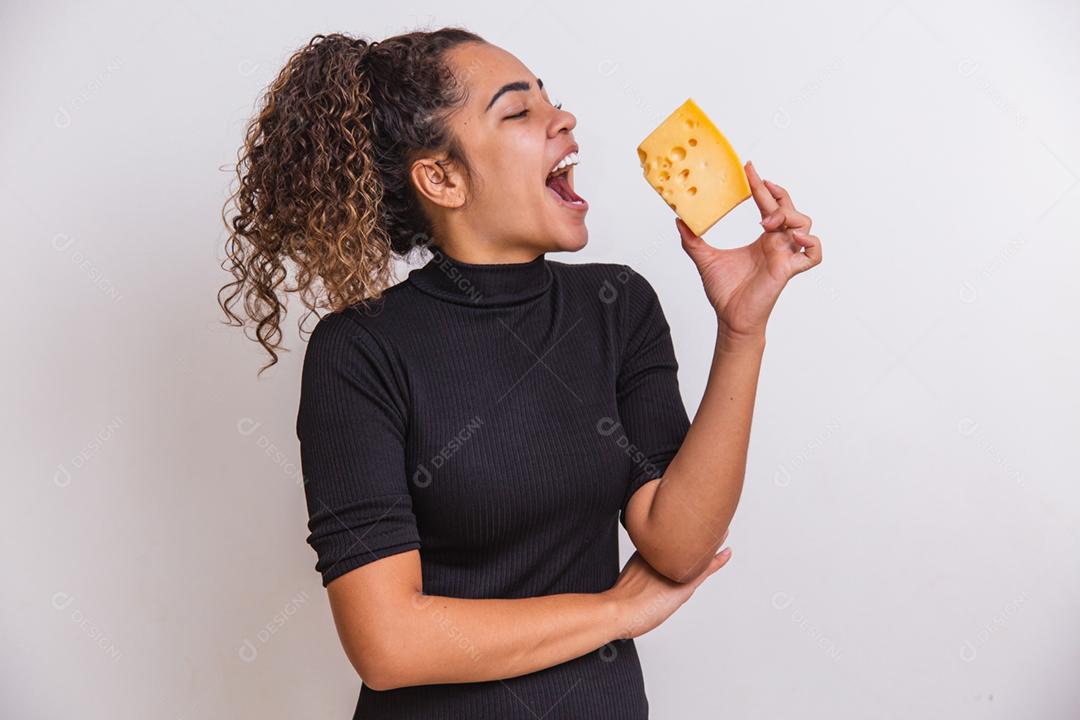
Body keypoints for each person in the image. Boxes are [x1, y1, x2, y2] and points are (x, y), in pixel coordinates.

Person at [218, 27, 822, 720]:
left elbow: (679, 544)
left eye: (550, 101)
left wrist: (742, 331)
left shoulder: (616, 307)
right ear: (441, 178)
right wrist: (614, 612)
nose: (562, 119)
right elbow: (388, 645)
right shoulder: (360, 351)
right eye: (517, 111)